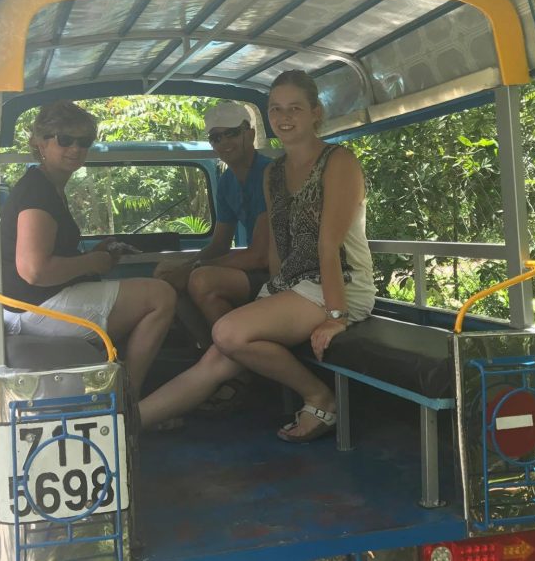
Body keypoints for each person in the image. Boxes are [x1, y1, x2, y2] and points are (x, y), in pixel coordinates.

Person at [138, 70, 375, 442]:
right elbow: (278, 246)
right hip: (295, 285)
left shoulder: (338, 161)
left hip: (341, 286)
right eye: (276, 109)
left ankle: (320, 398)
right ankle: (127, 424)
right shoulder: (275, 173)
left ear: (315, 112)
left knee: (228, 331)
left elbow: (329, 247)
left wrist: (336, 317)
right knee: (216, 358)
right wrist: (274, 291)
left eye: (295, 108)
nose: (284, 117)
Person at [0, 100, 176, 396]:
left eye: (84, 141)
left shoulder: (47, 186)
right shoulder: (37, 192)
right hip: (33, 307)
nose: (75, 148)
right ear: (41, 143)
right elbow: (34, 270)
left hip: (31, 304)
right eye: (64, 139)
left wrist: (94, 254)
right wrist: (92, 263)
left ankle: (116, 388)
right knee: (162, 296)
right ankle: (128, 399)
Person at [155, 101, 271, 332]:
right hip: (256, 270)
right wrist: (184, 265)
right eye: (216, 138)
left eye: (232, 133)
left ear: (250, 133)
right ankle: (213, 349)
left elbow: (260, 256)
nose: (224, 142)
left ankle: (231, 352)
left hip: (279, 272)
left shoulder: (270, 174)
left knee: (202, 280)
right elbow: (219, 244)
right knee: (164, 271)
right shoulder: (227, 182)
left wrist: (194, 267)